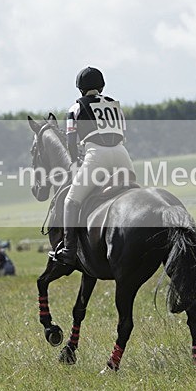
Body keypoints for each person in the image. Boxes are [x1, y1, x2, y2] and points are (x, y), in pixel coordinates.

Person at [52, 67, 135, 264]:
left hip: (97, 155)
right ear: (102, 86)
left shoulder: (75, 108)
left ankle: (69, 250)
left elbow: (71, 141)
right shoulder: (116, 107)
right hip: (122, 154)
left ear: (79, 88)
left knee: (71, 201)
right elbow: (123, 132)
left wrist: (75, 162)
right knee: (134, 193)